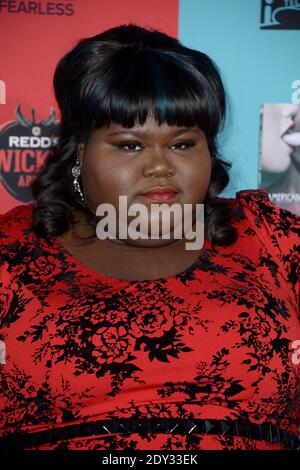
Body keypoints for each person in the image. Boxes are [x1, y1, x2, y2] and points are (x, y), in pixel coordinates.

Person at [0, 23, 299, 451]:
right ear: (80, 150)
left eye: (181, 144)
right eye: (129, 145)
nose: (160, 166)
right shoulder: (10, 254)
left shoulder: (275, 239)